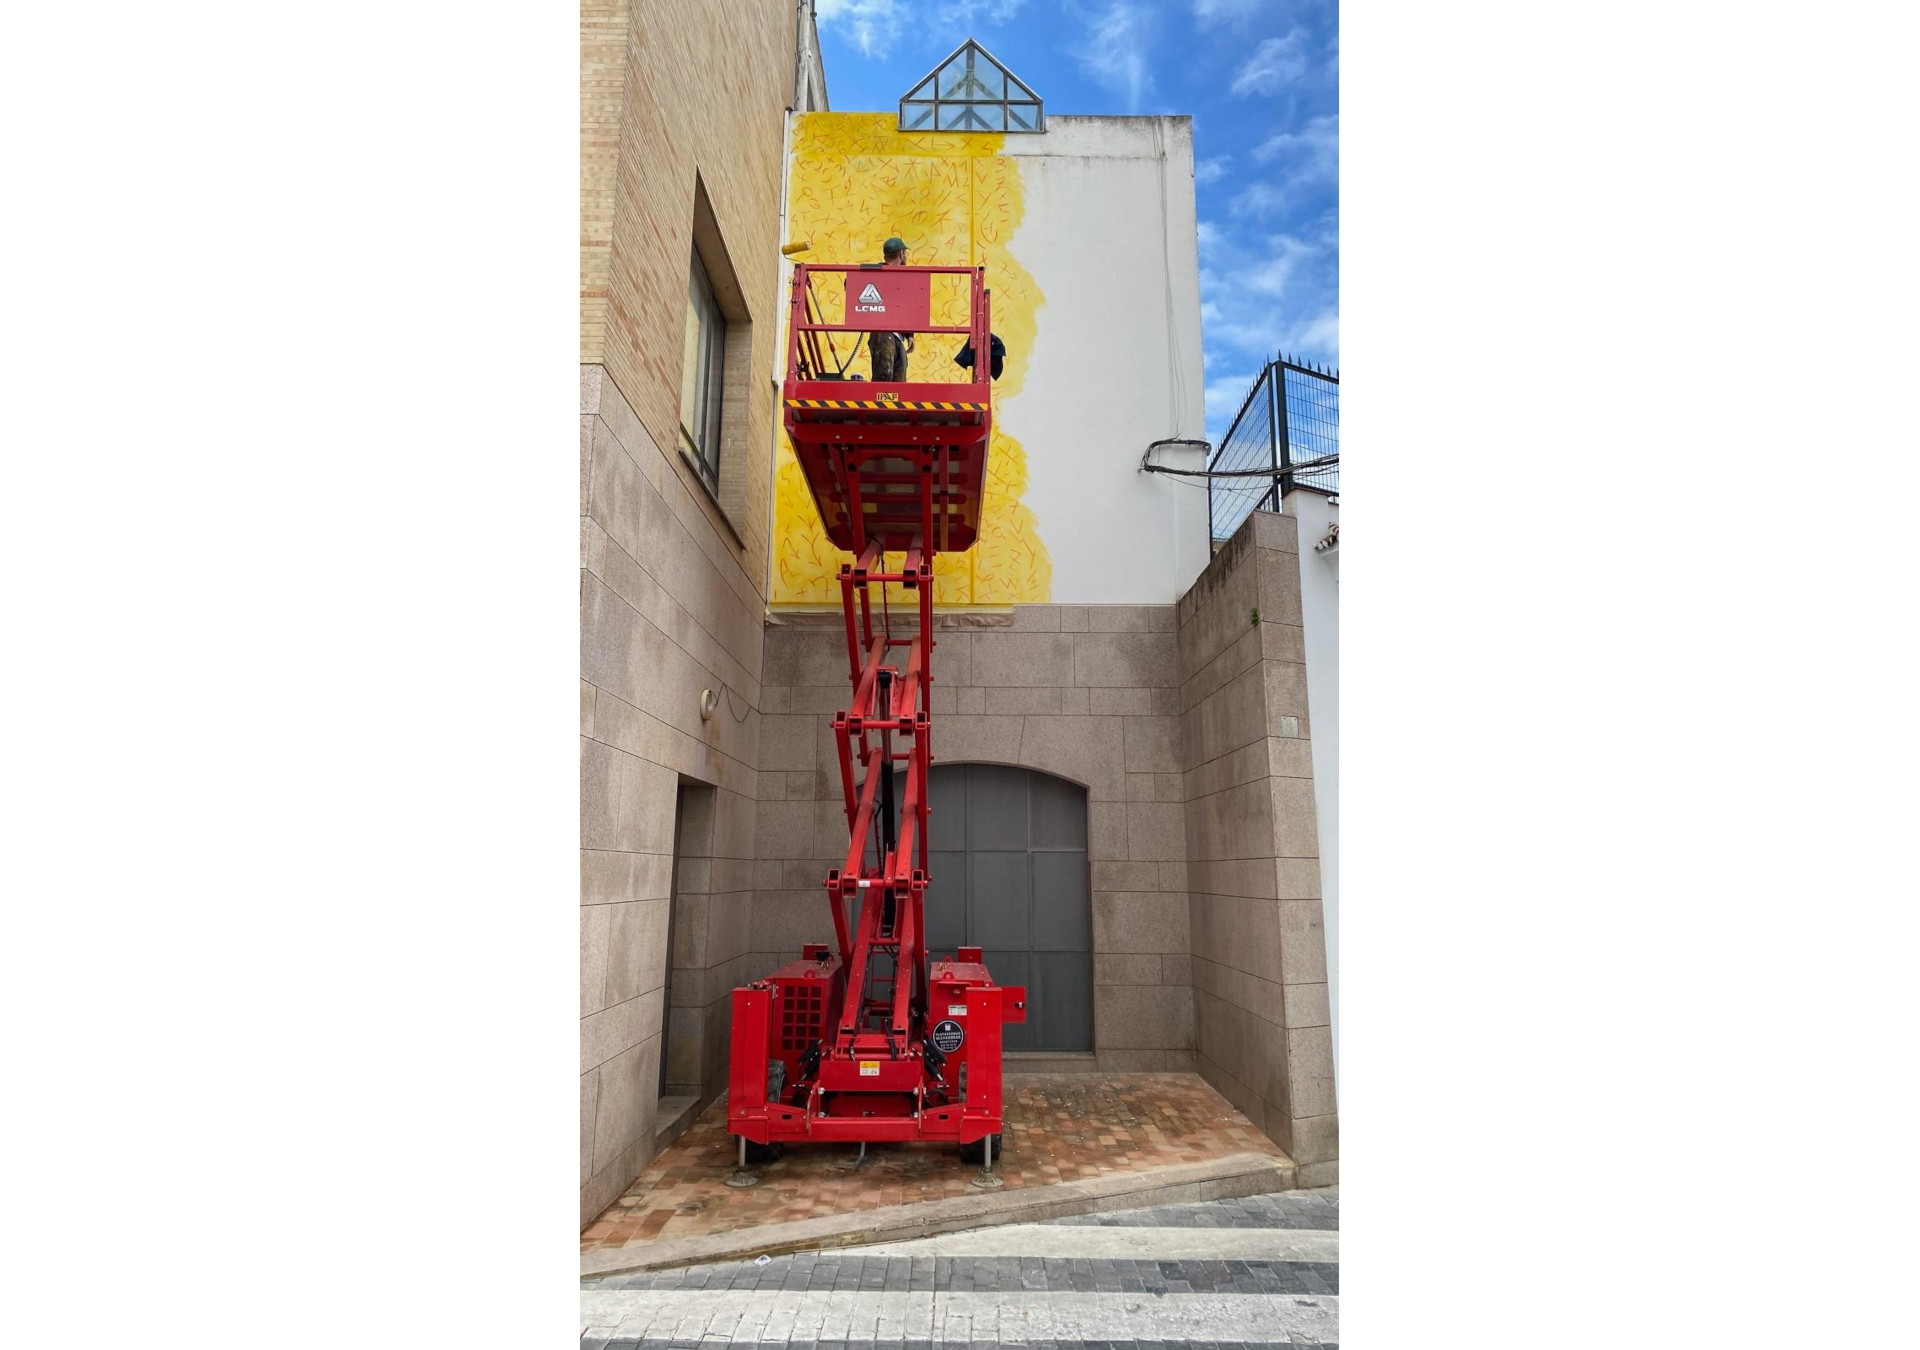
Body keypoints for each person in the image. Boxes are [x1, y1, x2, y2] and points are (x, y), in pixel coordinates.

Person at [868, 236, 914, 382]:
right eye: (905, 253)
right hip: (882, 332)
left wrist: (909, 335)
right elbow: (851, 283)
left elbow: (903, 306)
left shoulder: (902, 278)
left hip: (898, 336)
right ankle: (879, 405)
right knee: (884, 376)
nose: (906, 257)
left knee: (899, 383)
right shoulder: (877, 273)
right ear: (901, 254)